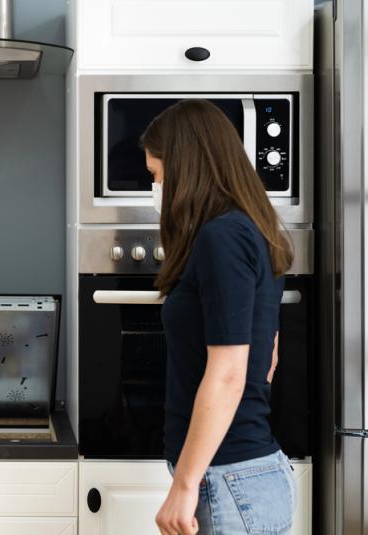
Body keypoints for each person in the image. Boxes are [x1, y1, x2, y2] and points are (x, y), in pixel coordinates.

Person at [144, 100, 296, 535]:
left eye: (156, 174)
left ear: (184, 166)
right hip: (245, 476)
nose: (155, 186)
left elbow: (231, 372)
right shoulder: (251, 229)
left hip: (228, 480)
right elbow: (267, 356)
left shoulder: (222, 237)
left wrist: (186, 484)